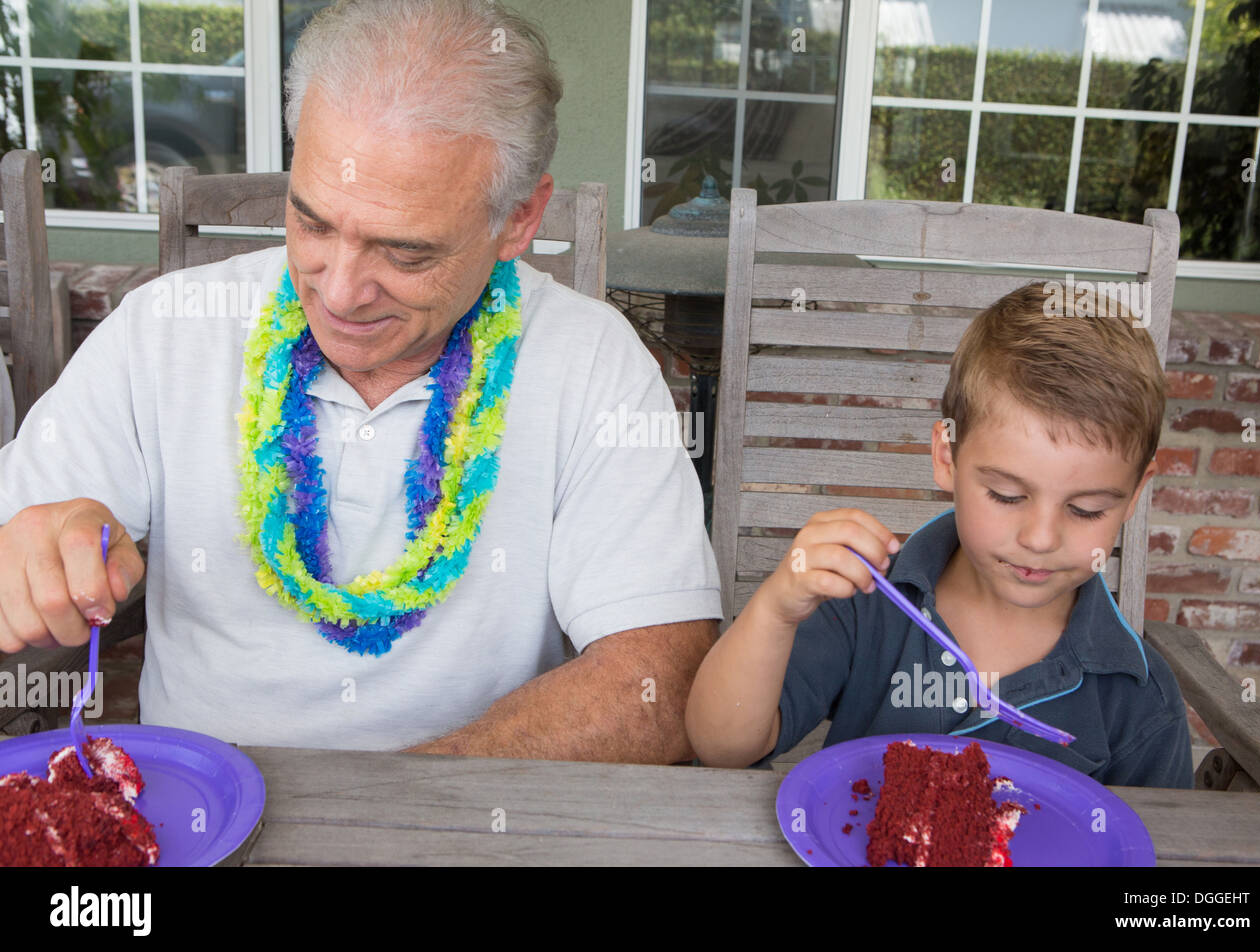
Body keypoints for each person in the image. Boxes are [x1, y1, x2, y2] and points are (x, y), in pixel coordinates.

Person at [0, 0, 721, 759]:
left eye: (405, 254)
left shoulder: (593, 362)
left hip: (465, 824)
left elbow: (658, 681)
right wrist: (32, 555)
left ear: (517, 219)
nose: (339, 294)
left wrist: (387, 816)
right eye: (312, 223)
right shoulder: (164, 330)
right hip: (193, 816)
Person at [685, 283, 1194, 788]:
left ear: (1133, 495)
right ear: (947, 457)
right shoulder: (869, 601)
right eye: (1006, 495)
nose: (1040, 538)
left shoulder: (1140, 697)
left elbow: (1152, 843)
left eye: (1086, 509)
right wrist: (775, 610)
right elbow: (724, 748)